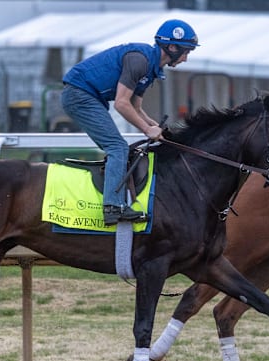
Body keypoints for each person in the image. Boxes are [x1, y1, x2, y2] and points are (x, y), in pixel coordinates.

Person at [61, 19, 199, 225]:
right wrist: (146, 129)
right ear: (172, 47)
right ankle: (112, 207)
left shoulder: (152, 69)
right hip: (79, 94)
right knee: (117, 147)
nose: (186, 58)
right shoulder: (140, 61)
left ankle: (115, 201)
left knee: (119, 147)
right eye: (186, 52)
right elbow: (121, 104)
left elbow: (136, 107)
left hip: (87, 95)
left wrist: (152, 125)